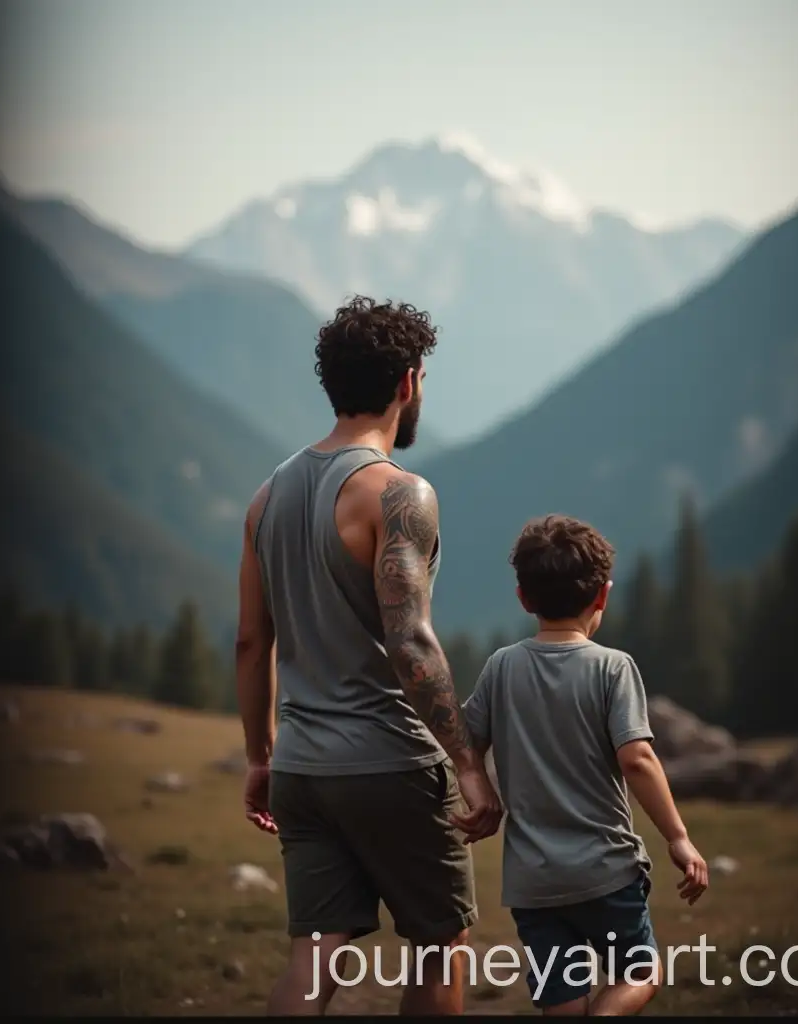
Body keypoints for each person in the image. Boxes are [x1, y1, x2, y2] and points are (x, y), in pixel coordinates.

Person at [235, 296, 503, 1016]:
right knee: (440, 946)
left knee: (315, 960)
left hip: (302, 769)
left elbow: (250, 642)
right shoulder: (398, 494)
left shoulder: (267, 498)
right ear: (409, 383)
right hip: (392, 764)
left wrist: (261, 757)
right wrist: (470, 765)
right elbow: (409, 638)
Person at [462, 514, 709, 1016]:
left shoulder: (501, 667)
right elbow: (637, 758)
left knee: (562, 1001)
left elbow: (462, 739)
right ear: (603, 596)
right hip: (605, 872)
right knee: (640, 973)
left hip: (533, 883)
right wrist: (678, 836)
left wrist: (477, 789)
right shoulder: (612, 668)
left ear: (523, 599)